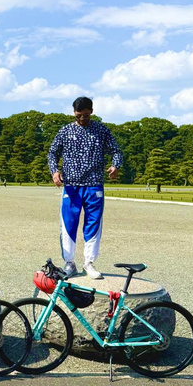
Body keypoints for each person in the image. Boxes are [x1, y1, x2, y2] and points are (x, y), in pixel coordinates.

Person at [48, 96, 123, 280]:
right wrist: (54, 171)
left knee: (93, 223)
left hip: (94, 184)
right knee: (69, 224)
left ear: (92, 111)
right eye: (80, 115)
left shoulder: (101, 130)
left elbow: (116, 150)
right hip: (71, 186)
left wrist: (115, 165)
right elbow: (52, 152)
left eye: (87, 115)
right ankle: (69, 262)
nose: (83, 118)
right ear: (74, 112)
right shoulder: (65, 131)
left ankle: (89, 263)